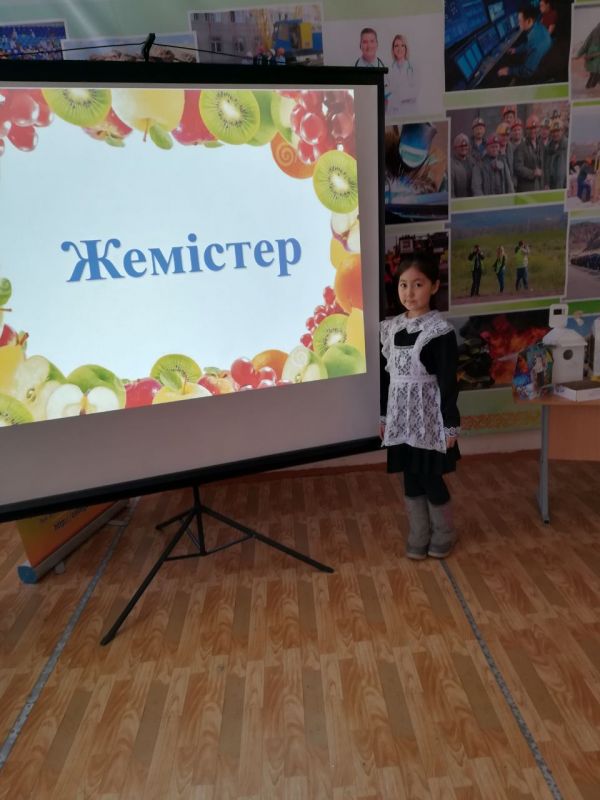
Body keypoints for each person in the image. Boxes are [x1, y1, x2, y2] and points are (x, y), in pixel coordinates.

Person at [380, 255, 460, 560]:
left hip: (429, 420)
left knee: (429, 476)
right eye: (403, 285)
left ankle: (444, 532)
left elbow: (448, 382)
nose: (409, 293)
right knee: (410, 477)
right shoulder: (391, 329)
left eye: (418, 284)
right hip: (400, 419)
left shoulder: (439, 331)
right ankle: (419, 533)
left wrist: (449, 424)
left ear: (434, 286)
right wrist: (384, 417)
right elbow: (387, 380)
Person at [497, 5, 552, 82]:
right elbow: (528, 44)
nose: (518, 24)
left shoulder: (535, 43)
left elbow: (527, 72)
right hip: (542, 58)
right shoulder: (538, 26)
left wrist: (508, 71)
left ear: (529, 20)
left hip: (535, 72)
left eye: (520, 21)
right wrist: (516, 50)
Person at [386, 34, 417, 116]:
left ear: (406, 48)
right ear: (393, 49)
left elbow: (415, 92)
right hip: (393, 111)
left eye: (402, 45)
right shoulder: (388, 69)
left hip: (409, 111)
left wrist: (398, 95)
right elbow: (386, 91)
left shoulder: (413, 67)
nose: (399, 49)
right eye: (396, 46)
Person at [514, 115, 543, 191]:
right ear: (527, 130)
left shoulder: (541, 145)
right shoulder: (521, 147)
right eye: (530, 129)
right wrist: (533, 173)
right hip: (526, 188)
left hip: (539, 186)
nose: (533, 131)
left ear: (538, 129)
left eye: (534, 128)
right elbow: (518, 167)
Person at [575, 21, 600, 89]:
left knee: (594, 79)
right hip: (595, 61)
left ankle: (589, 92)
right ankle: (588, 92)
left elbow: (585, 45)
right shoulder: (595, 31)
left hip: (592, 60)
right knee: (593, 80)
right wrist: (578, 55)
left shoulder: (594, 31)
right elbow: (586, 45)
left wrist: (578, 55)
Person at [450, 133, 473, 198]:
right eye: (461, 146)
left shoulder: (472, 162)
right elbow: (451, 192)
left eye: (466, 145)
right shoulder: (451, 164)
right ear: (455, 148)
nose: (464, 148)